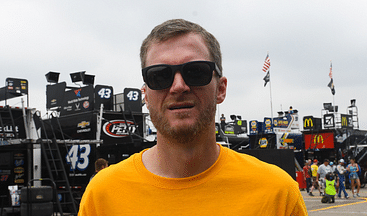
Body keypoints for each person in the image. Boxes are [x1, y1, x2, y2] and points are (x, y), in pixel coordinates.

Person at [78, 19, 307, 215]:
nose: (178, 86)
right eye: (159, 76)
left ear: (221, 88)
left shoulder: (278, 194)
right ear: (145, 95)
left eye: (195, 71)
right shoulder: (102, 197)